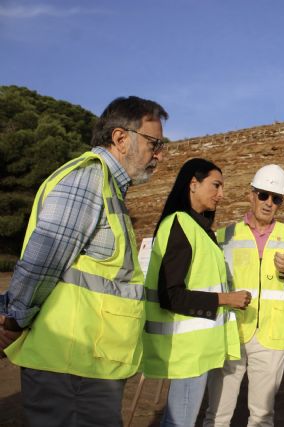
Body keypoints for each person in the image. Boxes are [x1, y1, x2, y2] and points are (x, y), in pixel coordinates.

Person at [0, 96, 168, 426]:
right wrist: (13, 321)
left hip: (87, 365)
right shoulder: (89, 180)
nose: (160, 154)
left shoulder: (109, 189)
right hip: (72, 369)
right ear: (121, 138)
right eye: (154, 143)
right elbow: (42, 261)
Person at [141, 158, 251, 427]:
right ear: (193, 183)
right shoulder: (180, 225)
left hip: (195, 351)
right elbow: (171, 295)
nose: (221, 195)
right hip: (187, 351)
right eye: (216, 185)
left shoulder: (199, 229)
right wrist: (226, 299)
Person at [205, 164, 284, 427]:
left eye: (276, 199)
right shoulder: (224, 236)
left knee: (262, 416)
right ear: (250, 195)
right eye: (263, 195)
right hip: (230, 333)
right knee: (217, 413)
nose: (269, 203)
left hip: (271, 336)